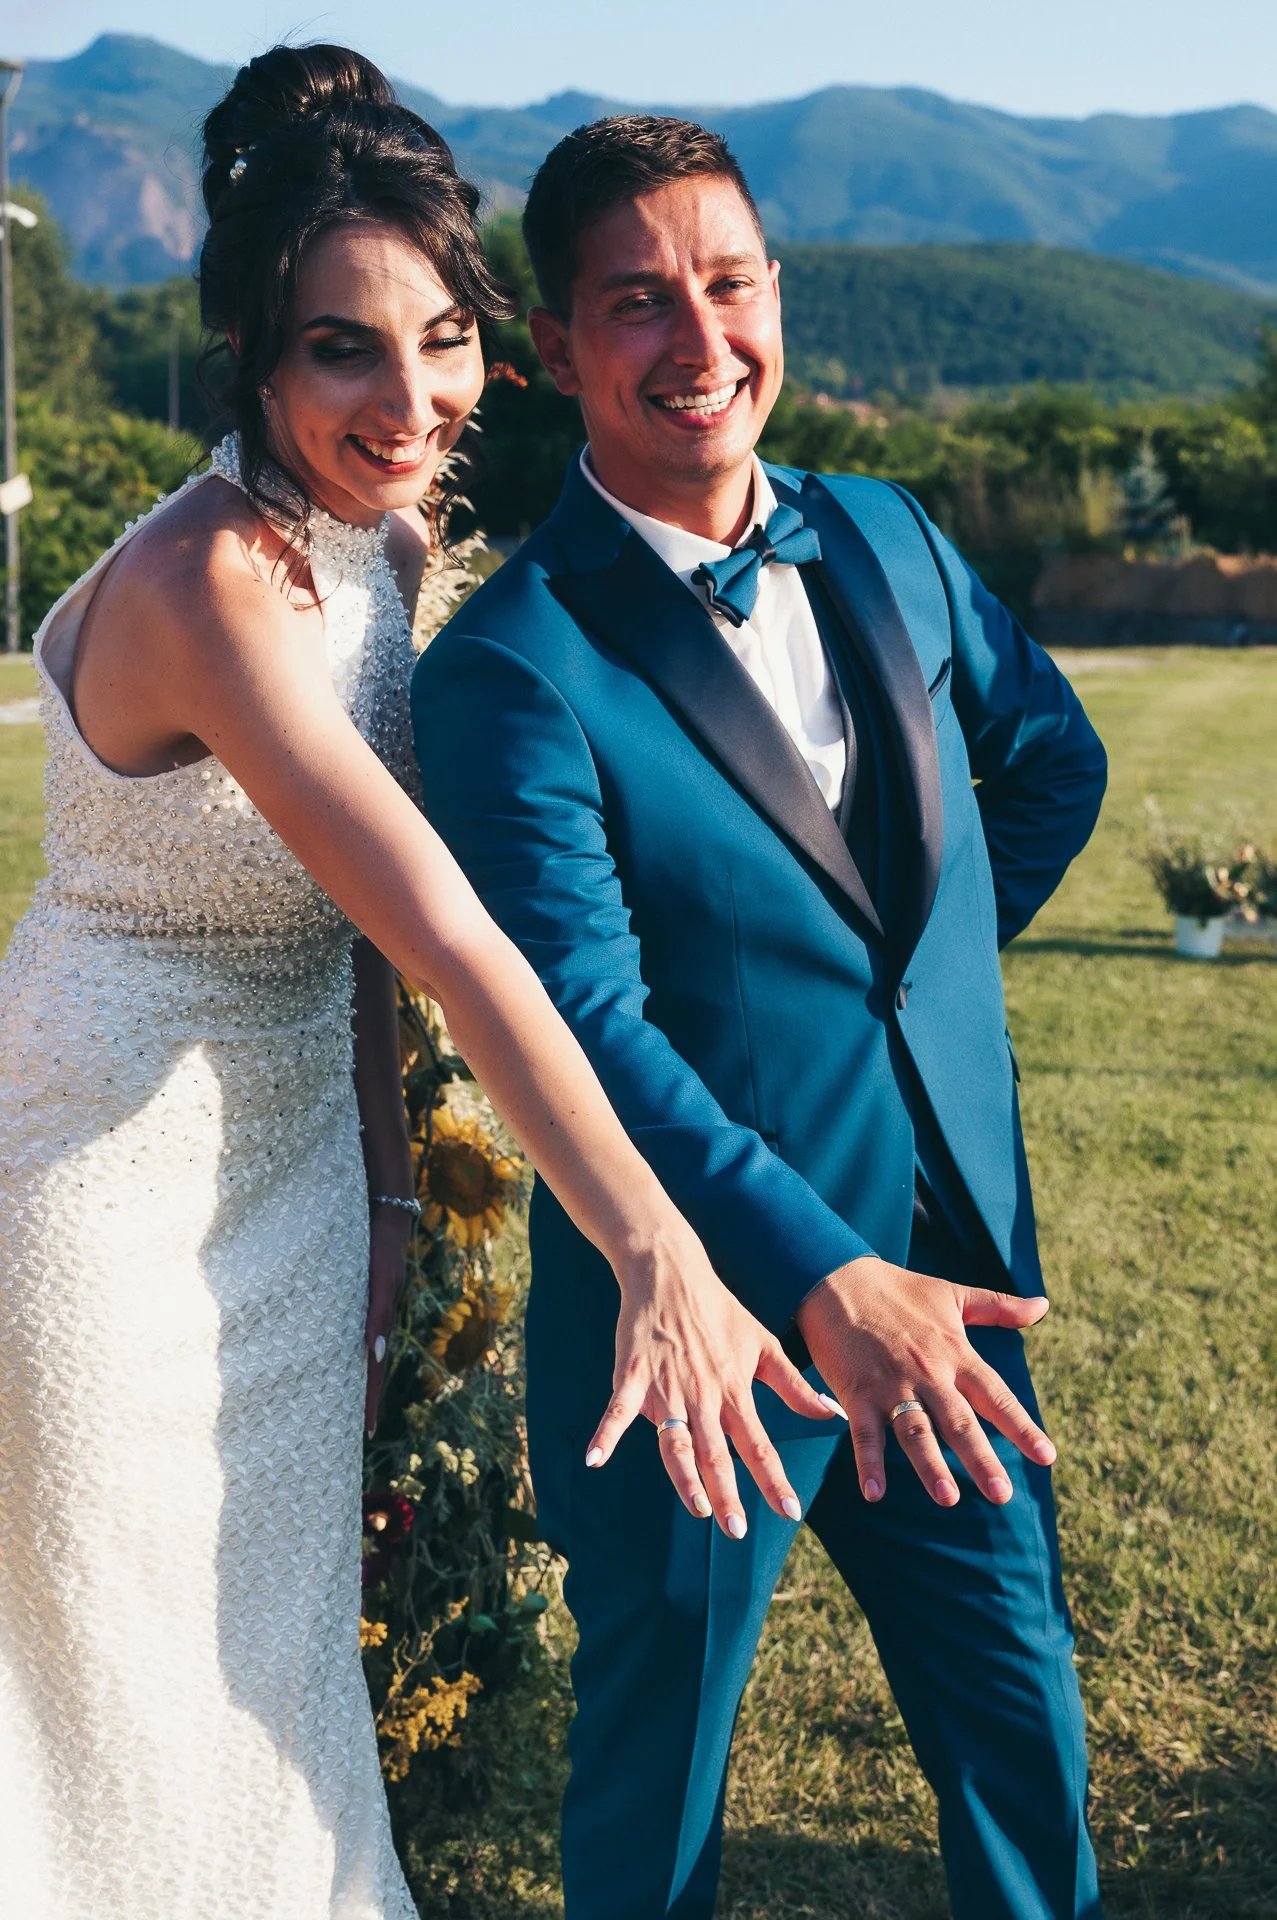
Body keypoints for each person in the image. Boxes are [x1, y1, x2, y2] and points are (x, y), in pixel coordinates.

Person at [0, 51, 840, 1920]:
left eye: (444, 339)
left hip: (293, 1183)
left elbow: (351, 945)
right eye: (343, 353)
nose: (412, 403)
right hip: (107, 1191)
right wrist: (656, 1250)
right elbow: (447, 934)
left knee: (275, 1681)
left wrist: (386, 1186)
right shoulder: (212, 578)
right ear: (251, 352)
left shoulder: (375, 537)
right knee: (126, 1711)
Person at [411, 115, 1109, 1920]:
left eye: (727, 283)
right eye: (638, 302)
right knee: (660, 1799)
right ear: (551, 352)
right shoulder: (509, 664)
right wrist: (809, 1268)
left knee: (1021, 1735)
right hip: (700, 1320)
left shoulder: (889, 535)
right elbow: (580, 1020)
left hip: (952, 1265)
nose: (699, 338)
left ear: (777, 294)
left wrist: (914, 1010)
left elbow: (1048, 766)